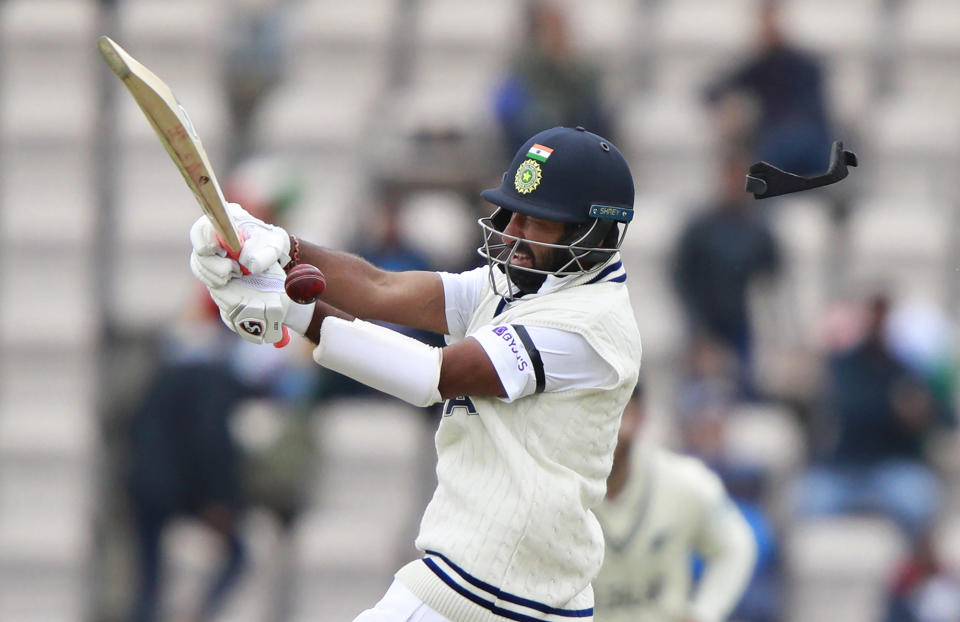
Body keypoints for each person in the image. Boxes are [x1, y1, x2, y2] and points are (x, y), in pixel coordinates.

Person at [188, 126, 643, 622]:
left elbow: (433, 375)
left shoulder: (588, 326)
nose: (513, 233)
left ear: (592, 232)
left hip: (491, 590)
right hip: (513, 590)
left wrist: (294, 311)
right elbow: (382, 287)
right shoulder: (527, 282)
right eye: (513, 214)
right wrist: (279, 248)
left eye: (537, 222)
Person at [593, 382, 757, 622]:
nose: (607, 428)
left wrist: (703, 613)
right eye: (595, 413)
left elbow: (736, 546)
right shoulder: (554, 491)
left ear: (640, 416)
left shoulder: (686, 482)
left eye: (618, 412)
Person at [794, 293, 947, 540]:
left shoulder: (909, 369)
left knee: (920, 501)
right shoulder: (841, 365)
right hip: (842, 469)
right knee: (805, 501)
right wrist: (892, 408)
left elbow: (943, 417)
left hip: (895, 467)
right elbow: (850, 411)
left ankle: (913, 574)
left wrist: (922, 413)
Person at [671, 149, 781, 399]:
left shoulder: (757, 228)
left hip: (743, 325)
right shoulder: (700, 227)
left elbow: (772, 275)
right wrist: (699, 331)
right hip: (705, 325)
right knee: (701, 393)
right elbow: (680, 278)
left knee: (744, 390)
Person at [703, 0, 833, 177]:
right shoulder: (757, 66)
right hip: (775, 144)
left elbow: (814, 111)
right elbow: (714, 90)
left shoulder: (805, 65)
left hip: (805, 142)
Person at [493, 0, 614, 157]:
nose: (559, 37)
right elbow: (513, 122)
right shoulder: (521, 75)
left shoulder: (582, 74)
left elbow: (599, 123)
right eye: (550, 30)